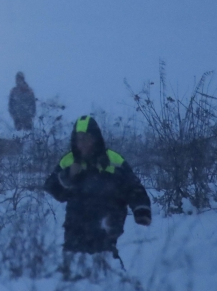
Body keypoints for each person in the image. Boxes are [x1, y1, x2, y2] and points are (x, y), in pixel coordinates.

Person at [44, 115, 151, 279]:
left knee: (108, 274)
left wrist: (141, 209)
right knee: (72, 277)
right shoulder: (69, 161)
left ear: (96, 138)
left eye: (87, 138)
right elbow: (52, 187)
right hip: (74, 231)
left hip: (106, 228)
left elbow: (133, 187)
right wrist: (68, 176)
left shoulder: (112, 160)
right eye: (79, 139)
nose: (83, 143)